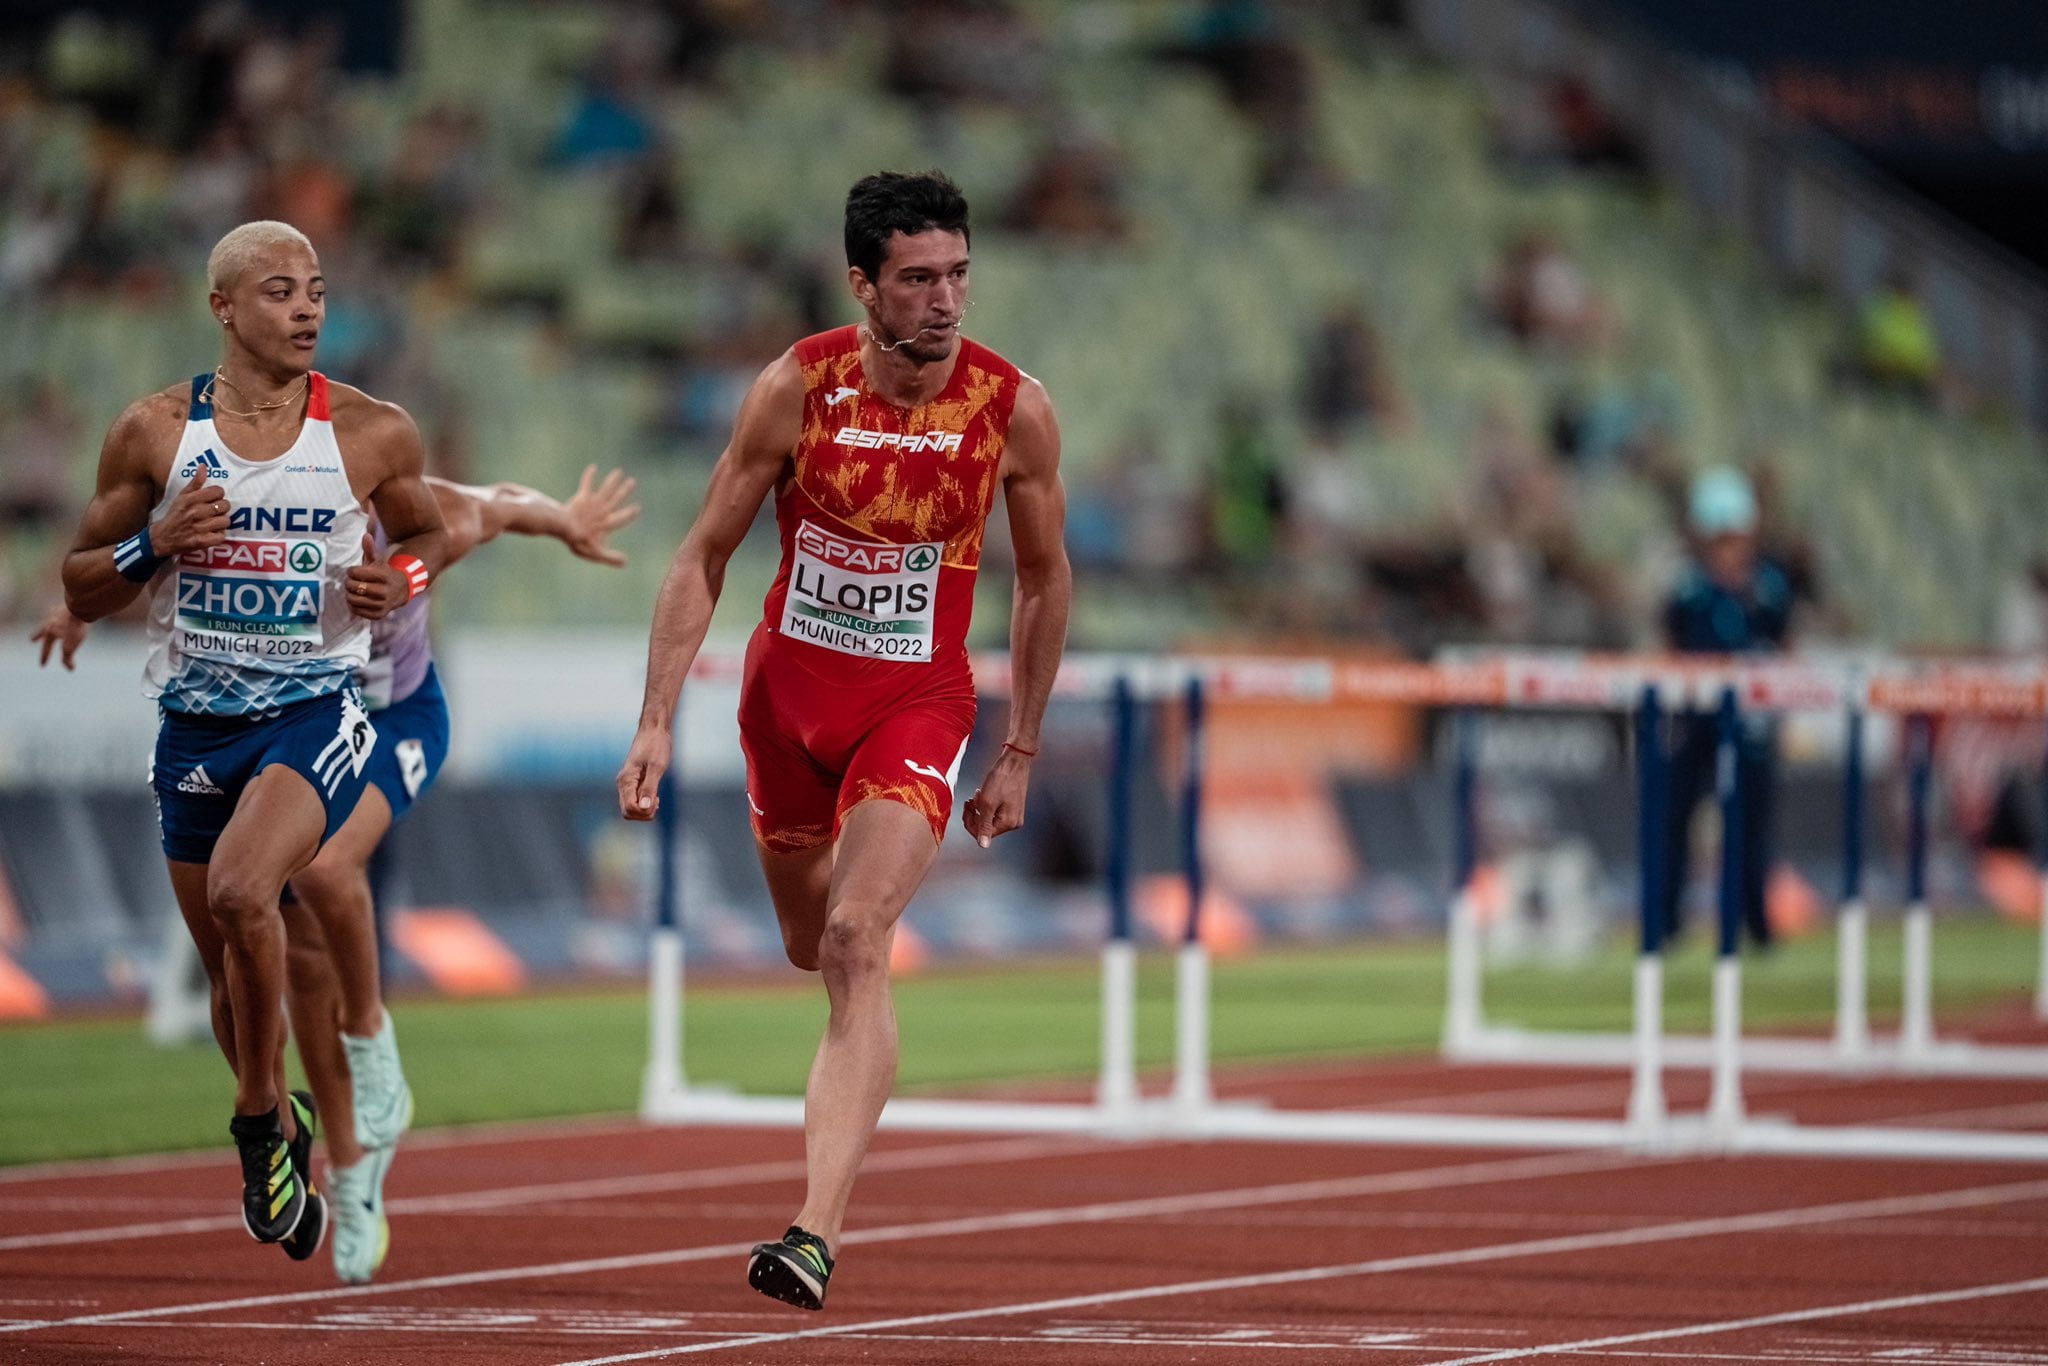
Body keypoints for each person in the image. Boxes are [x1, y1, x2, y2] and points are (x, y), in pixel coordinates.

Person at [615, 170, 1071, 1311]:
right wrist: (657, 719)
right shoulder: (794, 387)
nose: (944, 299)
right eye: (918, 279)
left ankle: (812, 1231)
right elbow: (700, 553)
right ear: (862, 282)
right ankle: (833, 1080)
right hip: (785, 705)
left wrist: (1018, 748)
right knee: (808, 941)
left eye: (958, 274)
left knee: (857, 936)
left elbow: (1046, 578)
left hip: (914, 706)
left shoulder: (1011, 408)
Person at [34, 463, 639, 1284]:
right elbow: (178, 563)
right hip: (288, 727)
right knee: (290, 954)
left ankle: (372, 1037)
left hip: (397, 719)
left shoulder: (432, 522)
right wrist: (75, 608)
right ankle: (345, 1161)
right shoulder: (266, 526)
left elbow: (501, 506)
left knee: (325, 872)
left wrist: (565, 517)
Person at [59, 219, 450, 1261]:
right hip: (193, 724)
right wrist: (157, 542)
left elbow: (432, 531)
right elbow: (80, 579)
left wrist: (397, 580)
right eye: (279, 292)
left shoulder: (371, 430)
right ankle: (282, 1118)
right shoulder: (152, 433)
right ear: (223, 308)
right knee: (235, 987)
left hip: (314, 712)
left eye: (317, 289)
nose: (308, 308)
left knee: (245, 892)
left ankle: (254, 1129)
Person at [1659, 465, 1794, 949]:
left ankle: (1753, 926)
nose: (1727, 547)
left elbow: (1782, 647)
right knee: (1675, 820)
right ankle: (1666, 924)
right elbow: (1671, 645)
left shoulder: (1771, 585)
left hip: (1751, 724)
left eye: (1734, 536)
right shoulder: (1687, 587)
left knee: (1751, 827)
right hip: (1694, 720)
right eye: (1718, 538)